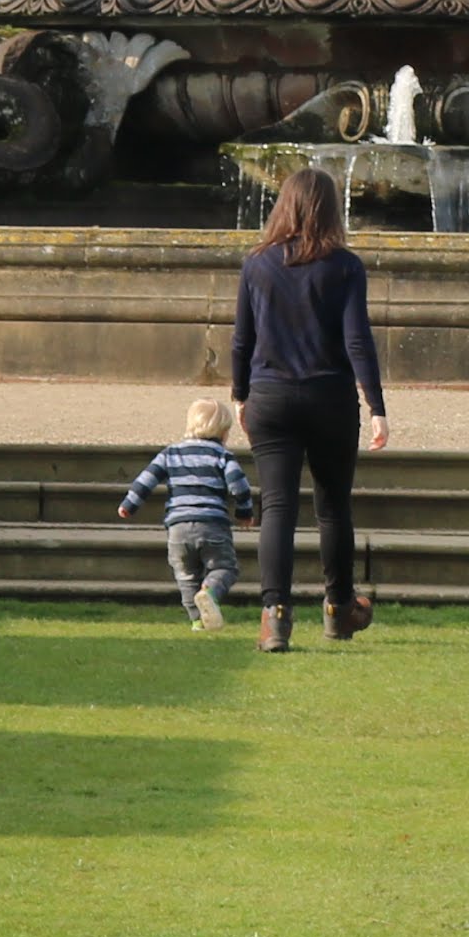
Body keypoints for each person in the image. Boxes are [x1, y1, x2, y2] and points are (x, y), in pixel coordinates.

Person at [230, 163, 390, 648]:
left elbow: (241, 340)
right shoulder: (345, 267)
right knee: (333, 508)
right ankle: (339, 608)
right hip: (329, 398)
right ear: (330, 210)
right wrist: (376, 405)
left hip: (271, 397)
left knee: (276, 506)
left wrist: (239, 394)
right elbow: (357, 341)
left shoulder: (258, 264)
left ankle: (275, 615)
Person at [116, 395, 259, 629]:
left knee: (186, 576)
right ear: (224, 432)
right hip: (212, 524)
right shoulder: (222, 456)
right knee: (225, 567)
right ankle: (210, 592)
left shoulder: (170, 453)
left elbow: (146, 479)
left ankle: (197, 621)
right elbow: (238, 485)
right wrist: (244, 512)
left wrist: (129, 504)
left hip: (178, 527)